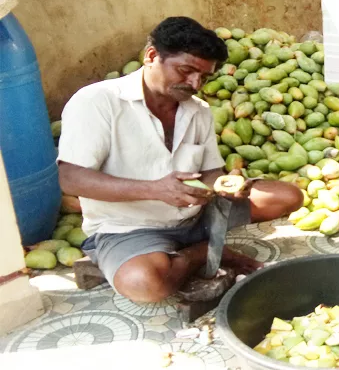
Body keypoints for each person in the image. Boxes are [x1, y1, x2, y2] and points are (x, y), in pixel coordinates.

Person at [57, 17, 303, 303]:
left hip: (197, 215)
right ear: (151, 56)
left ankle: (197, 244)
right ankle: (201, 253)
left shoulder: (198, 111)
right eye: (186, 71)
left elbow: (212, 172)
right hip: (130, 227)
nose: (195, 83)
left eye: (205, 77)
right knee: (145, 285)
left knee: (287, 195)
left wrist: (227, 185)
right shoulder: (98, 101)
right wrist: (155, 190)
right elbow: (70, 179)